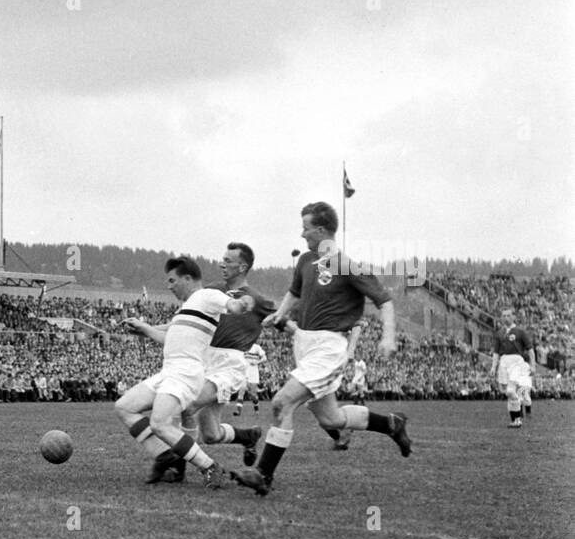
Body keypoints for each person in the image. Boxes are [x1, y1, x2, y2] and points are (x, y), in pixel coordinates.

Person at [232, 202, 412, 496]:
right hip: (303, 343)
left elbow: (385, 301)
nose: (302, 234)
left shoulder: (346, 264)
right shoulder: (305, 260)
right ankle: (391, 423)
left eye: (306, 228)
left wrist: (388, 337)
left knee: (281, 403)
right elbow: (294, 292)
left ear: (321, 229)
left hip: (329, 347)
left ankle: (263, 475)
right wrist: (281, 314)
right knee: (331, 419)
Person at [114, 255, 255, 488]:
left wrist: (243, 303)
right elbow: (168, 337)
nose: (169, 286)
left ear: (188, 278)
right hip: (169, 371)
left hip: (186, 372)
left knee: (159, 423)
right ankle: (164, 455)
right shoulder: (185, 310)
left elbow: (233, 305)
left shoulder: (206, 295)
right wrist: (143, 329)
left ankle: (210, 467)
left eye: (172, 280)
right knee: (124, 407)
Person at [148, 243, 270, 483]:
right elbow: (181, 323)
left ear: (243, 266)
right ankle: (248, 436)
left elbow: (281, 316)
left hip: (228, 366)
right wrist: (147, 329)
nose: (221, 263)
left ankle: (178, 468)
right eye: (222, 259)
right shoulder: (211, 291)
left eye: (228, 260)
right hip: (205, 360)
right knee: (211, 434)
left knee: (187, 406)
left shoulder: (257, 299)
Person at [490, 309, 536, 426]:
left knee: (512, 391)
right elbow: (496, 353)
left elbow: (530, 350)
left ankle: (518, 417)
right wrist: (493, 367)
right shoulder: (499, 333)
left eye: (509, 315)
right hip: (504, 362)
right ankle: (515, 419)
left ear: (513, 317)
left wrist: (533, 366)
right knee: (507, 393)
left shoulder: (520, 332)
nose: (506, 318)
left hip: (516, 362)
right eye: (504, 316)